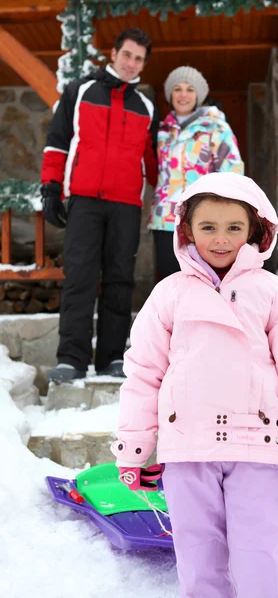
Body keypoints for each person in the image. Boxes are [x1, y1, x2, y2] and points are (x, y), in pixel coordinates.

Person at [111, 172, 278, 598]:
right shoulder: (168, 295)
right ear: (187, 231)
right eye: (208, 227)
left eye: (234, 227)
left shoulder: (273, 294)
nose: (220, 239)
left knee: (260, 555)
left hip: (254, 448)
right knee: (199, 560)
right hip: (187, 448)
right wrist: (136, 448)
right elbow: (143, 373)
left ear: (254, 230)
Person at [40, 28, 159, 383]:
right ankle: (71, 359)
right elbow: (58, 141)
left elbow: (153, 162)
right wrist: (50, 187)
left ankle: (111, 357)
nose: (131, 63)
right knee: (79, 276)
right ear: (113, 53)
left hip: (126, 204)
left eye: (138, 59)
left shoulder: (146, 107)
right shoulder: (80, 91)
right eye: (127, 55)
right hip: (85, 200)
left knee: (120, 279)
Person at [148, 66, 244, 280]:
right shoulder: (162, 132)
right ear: (170, 95)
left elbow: (233, 172)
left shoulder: (216, 128)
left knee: (203, 279)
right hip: (165, 219)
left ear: (198, 95)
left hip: (203, 217)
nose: (183, 95)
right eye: (178, 89)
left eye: (190, 89)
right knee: (170, 279)